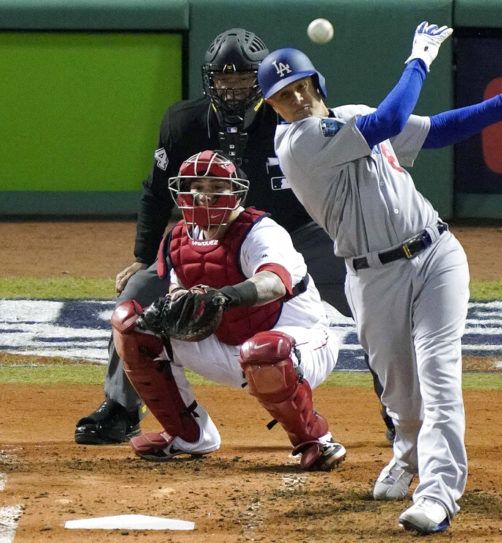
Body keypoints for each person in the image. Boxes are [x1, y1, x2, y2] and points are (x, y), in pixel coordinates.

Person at [257, 22, 502, 533]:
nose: (297, 99)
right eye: (283, 96)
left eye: (301, 86)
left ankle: (439, 494)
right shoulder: (298, 143)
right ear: (274, 109)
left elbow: (436, 130)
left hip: (437, 255)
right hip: (373, 280)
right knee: (403, 402)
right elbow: (392, 115)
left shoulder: (351, 118)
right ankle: (409, 454)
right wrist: (420, 57)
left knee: (438, 375)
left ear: (317, 84)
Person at [73, 28, 395, 445]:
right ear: (210, 80)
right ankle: (120, 408)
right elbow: (156, 191)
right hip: (213, 239)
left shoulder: (292, 116)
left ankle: (397, 409)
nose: (232, 88)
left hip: (301, 235)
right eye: (223, 79)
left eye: (243, 78)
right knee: (138, 290)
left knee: (369, 298)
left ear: (261, 82)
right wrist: (141, 255)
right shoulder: (183, 122)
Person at [111, 149, 346, 470]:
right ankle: (190, 435)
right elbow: (180, 292)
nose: (204, 197)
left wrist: (223, 298)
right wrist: (177, 308)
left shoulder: (261, 232)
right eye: (197, 188)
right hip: (229, 345)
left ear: (235, 194)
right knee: (131, 325)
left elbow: (273, 282)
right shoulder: (178, 240)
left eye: (216, 188)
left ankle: (316, 440)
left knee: (264, 350)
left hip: (299, 343)